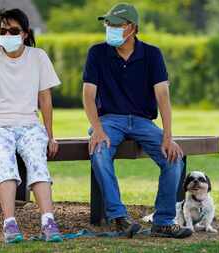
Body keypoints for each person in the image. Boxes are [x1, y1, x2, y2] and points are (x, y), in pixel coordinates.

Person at [82, 3, 192, 239]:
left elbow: (163, 96)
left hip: (143, 121)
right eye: (107, 23)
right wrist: (98, 130)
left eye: (115, 24)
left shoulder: (152, 54)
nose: (108, 28)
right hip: (109, 120)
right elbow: (88, 96)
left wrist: (168, 136)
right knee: (99, 149)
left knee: (174, 159)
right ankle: (119, 218)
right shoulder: (97, 53)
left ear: (131, 28)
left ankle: (163, 222)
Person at [0, 9, 62, 243]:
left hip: (29, 124)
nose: (7, 34)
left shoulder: (38, 57)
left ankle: (48, 221)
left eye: (13, 30)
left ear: (25, 33)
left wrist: (50, 136)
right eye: (3, 30)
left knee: (37, 161)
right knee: (5, 160)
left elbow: (45, 100)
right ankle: (10, 225)